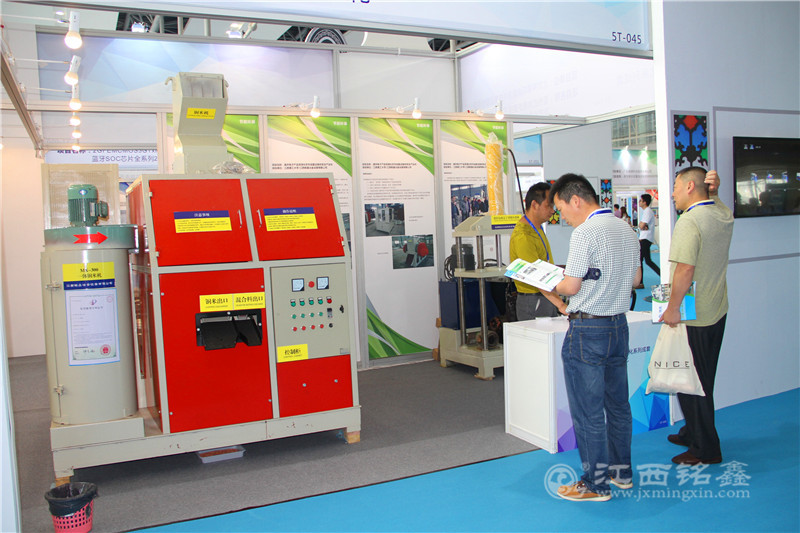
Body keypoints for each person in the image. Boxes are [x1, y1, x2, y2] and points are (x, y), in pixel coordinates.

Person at [549, 173, 642, 502]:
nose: (563, 216)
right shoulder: (626, 228)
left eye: (561, 209)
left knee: (588, 412)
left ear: (575, 200)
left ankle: (595, 484)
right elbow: (636, 279)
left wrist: (549, 281)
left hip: (587, 331)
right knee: (618, 407)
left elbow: (571, 286)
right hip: (618, 326)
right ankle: (621, 473)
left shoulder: (585, 233)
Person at [660, 168, 733, 466]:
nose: (673, 193)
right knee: (702, 378)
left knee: (694, 383)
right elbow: (719, 205)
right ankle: (692, 432)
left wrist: (672, 307)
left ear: (690, 186)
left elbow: (685, 269)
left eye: (676, 187)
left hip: (694, 315)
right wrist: (715, 192)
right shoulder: (721, 213)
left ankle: (706, 448)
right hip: (716, 309)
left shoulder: (690, 221)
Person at [508, 183, 566, 319]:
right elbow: (535, 276)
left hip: (546, 296)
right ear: (534, 205)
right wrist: (561, 305)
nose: (552, 211)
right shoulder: (523, 236)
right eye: (548, 206)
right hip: (533, 299)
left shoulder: (537, 228)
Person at [638, 193, 661, 286]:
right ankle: (640, 282)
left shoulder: (647, 211)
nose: (639, 202)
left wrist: (641, 225)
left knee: (642, 260)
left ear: (644, 202)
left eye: (640, 200)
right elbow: (641, 225)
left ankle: (640, 282)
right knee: (646, 261)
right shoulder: (646, 211)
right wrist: (641, 225)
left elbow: (641, 225)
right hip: (645, 238)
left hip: (645, 239)